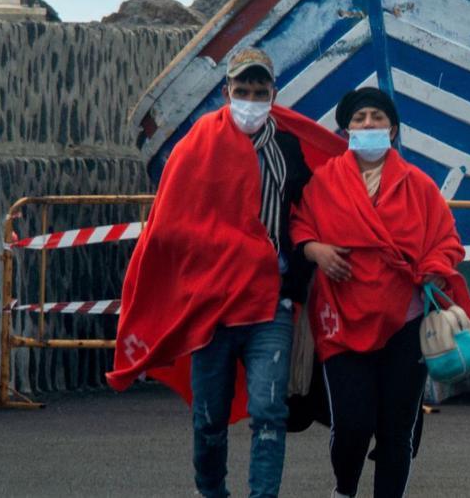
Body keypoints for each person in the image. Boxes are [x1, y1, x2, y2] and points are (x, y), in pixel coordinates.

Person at [105, 47, 346, 498]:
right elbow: (171, 222)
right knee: (209, 418)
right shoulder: (197, 145)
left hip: (271, 302)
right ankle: (211, 491)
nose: (251, 99)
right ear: (226, 91)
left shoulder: (288, 146)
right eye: (242, 90)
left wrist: (304, 262)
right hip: (212, 305)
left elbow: (308, 209)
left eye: (260, 91)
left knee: (269, 412)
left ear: (274, 93)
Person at [289, 87, 470, 498]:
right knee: (352, 425)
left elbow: (447, 241)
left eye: (377, 117)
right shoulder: (324, 183)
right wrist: (315, 250)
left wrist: (433, 270)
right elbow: (300, 226)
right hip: (341, 318)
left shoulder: (420, 186)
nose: (369, 124)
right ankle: (344, 490)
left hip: (404, 323)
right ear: (346, 129)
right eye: (360, 119)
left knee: (398, 430)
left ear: (392, 129)